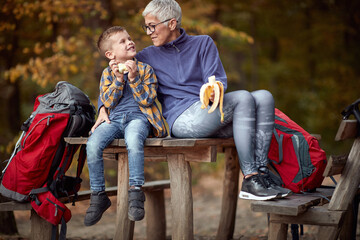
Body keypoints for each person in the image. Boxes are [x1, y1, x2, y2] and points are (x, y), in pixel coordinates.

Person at [93, 0, 291, 201]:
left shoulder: (203, 43)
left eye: (152, 26)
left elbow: (218, 79)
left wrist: (216, 90)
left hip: (209, 112)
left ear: (171, 24)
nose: (148, 32)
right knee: (243, 97)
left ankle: (261, 174)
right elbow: (115, 73)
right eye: (146, 27)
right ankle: (250, 178)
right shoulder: (146, 56)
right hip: (181, 119)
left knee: (264, 96)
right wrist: (102, 107)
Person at [84, 26, 167, 226]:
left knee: (133, 140)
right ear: (110, 54)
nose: (129, 42)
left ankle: (136, 192)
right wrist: (119, 80)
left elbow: (147, 100)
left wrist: (134, 78)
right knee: (92, 145)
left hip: (139, 118)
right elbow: (108, 102)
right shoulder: (107, 74)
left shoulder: (145, 70)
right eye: (122, 41)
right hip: (113, 120)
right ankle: (98, 195)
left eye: (129, 38)